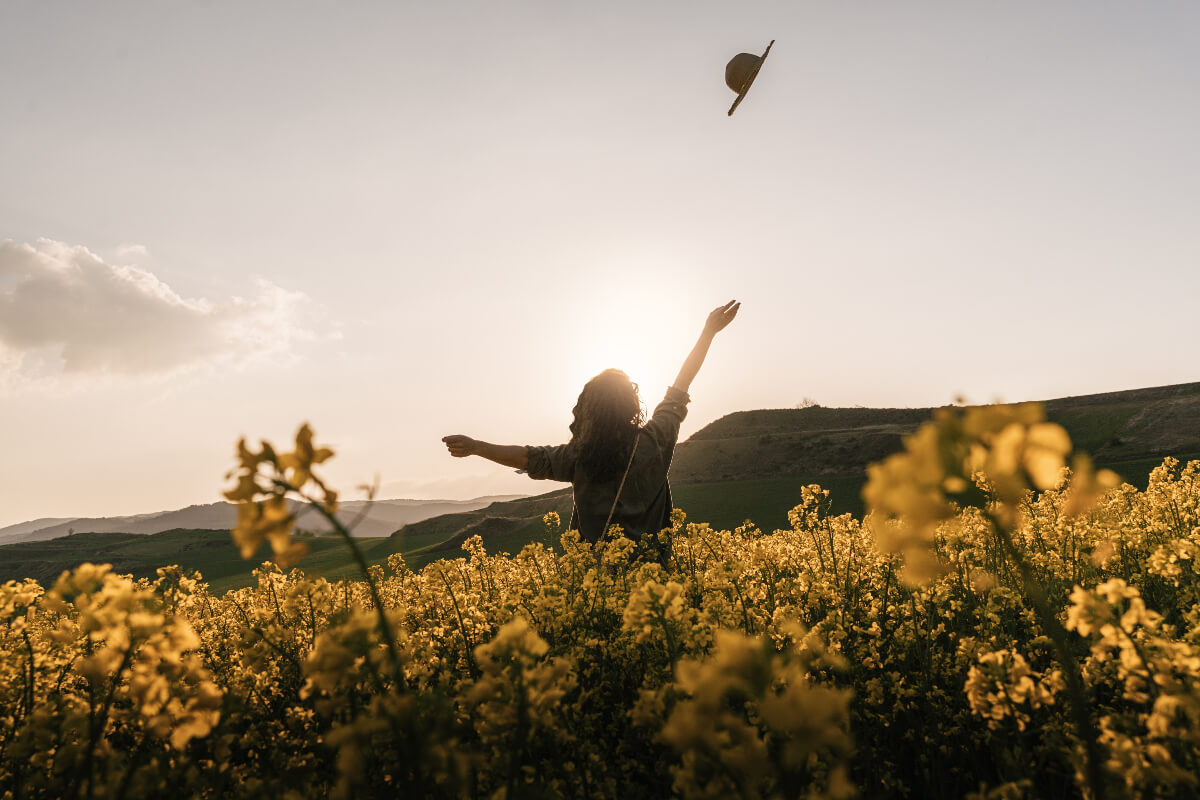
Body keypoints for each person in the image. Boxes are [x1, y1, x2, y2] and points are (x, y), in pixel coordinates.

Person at [442, 300, 740, 557]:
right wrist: (708, 333)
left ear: (588, 410)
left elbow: (527, 457)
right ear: (632, 407)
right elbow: (680, 386)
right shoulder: (655, 440)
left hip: (594, 584)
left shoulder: (580, 457)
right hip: (654, 583)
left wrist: (476, 447)